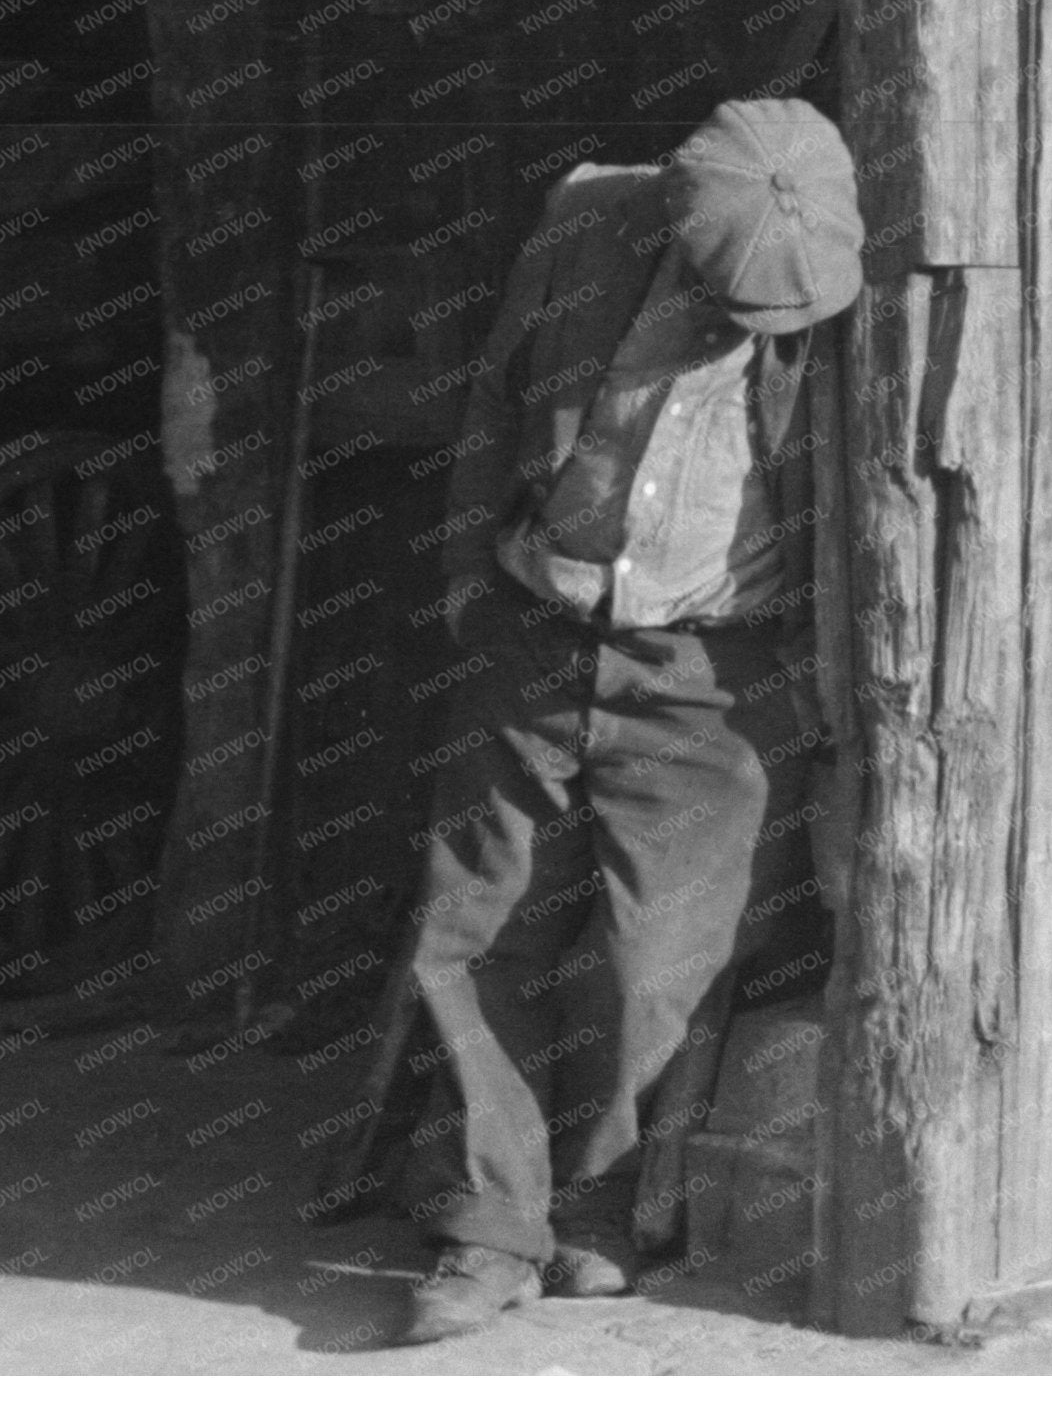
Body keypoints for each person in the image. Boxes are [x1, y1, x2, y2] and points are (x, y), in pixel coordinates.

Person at [392, 93, 863, 1346]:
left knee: (657, 960)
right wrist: (465, 587)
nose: (751, 325)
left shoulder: (853, 276)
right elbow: (497, 401)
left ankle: (596, 1199)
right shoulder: (588, 222)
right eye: (727, 298)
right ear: (669, 221)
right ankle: (487, 1225)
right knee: (475, 926)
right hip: (538, 630)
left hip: (713, 669)